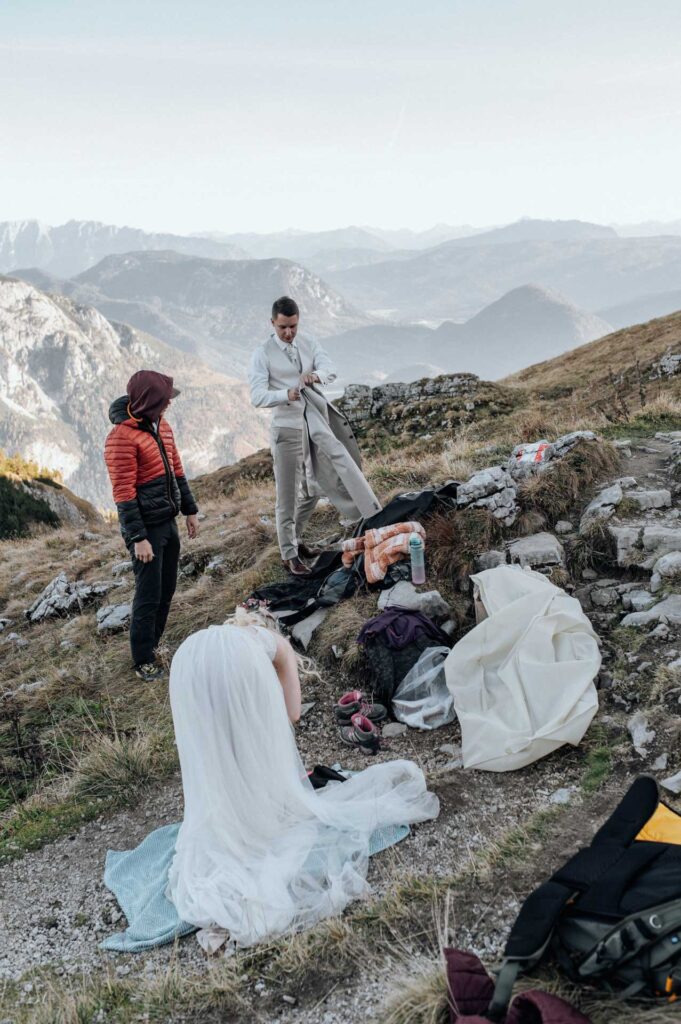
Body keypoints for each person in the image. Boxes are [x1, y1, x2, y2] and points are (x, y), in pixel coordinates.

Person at [166, 608, 439, 946]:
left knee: (215, 746)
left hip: (186, 666)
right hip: (212, 662)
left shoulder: (213, 645)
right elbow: (292, 713)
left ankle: (237, 806)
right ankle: (256, 811)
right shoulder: (274, 645)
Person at [248, 296, 381, 576]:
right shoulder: (262, 353)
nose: (288, 333)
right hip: (286, 427)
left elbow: (330, 368)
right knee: (287, 492)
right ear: (272, 323)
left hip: (314, 422)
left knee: (311, 489)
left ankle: (298, 539)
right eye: (283, 327)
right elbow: (257, 395)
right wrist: (284, 394)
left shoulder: (308, 342)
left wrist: (316, 376)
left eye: (293, 326)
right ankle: (288, 554)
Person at [104, 370, 199, 682]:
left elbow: (177, 470)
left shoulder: (163, 426)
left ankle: (154, 644)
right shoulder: (121, 437)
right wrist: (138, 538)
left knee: (167, 588)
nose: (168, 405)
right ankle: (143, 660)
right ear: (149, 401)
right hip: (146, 530)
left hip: (167, 522)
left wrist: (189, 509)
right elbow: (124, 494)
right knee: (148, 594)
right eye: (164, 400)